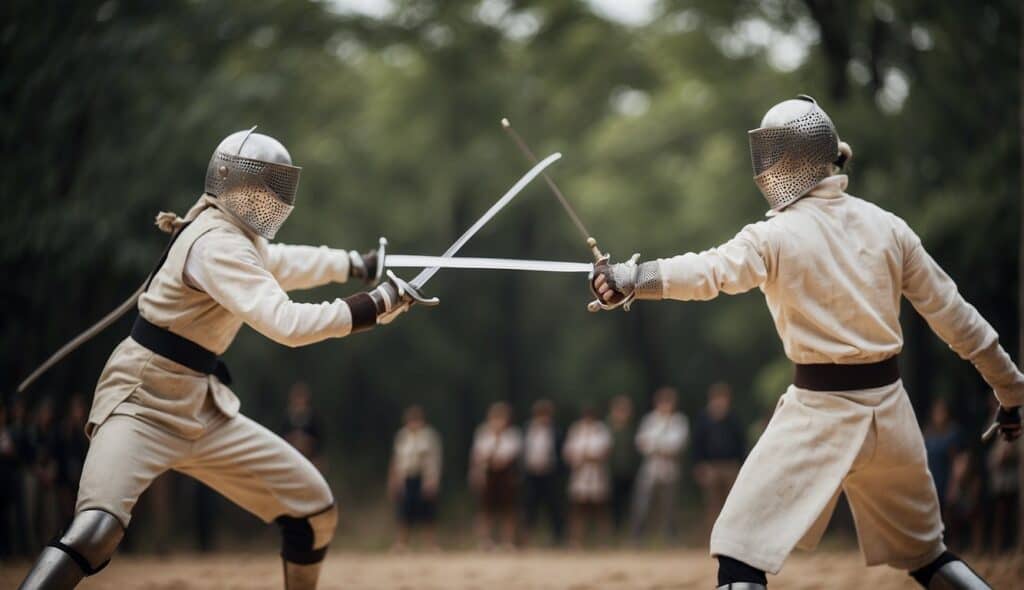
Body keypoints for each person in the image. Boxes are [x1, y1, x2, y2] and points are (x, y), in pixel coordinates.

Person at [589, 94, 1022, 588]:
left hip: (819, 412)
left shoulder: (776, 236)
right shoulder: (889, 227)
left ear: (788, 158)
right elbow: (959, 320)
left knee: (738, 554)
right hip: (891, 415)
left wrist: (632, 277)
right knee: (928, 556)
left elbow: (708, 271)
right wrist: (1012, 395)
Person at [18, 128, 435, 590]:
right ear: (228, 179)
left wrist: (354, 264)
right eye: (263, 184)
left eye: (278, 186)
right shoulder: (214, 241)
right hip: (141, 402)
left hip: (201, 407)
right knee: (96, 530)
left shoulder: (241, 237)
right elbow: (287, 324)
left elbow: (283, 263)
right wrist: (374, 305)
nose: (270, 197)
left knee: (313, 510)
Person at [630, 387, 688, 541]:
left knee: (670, 505)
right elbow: (642, 443)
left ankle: (670, 536)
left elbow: (677, 445)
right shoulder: (650, 420)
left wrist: (656, 446)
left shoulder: (679, 421)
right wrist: (660, 447)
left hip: (670, 470)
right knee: (643, 503)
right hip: (650, 469)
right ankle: (638, 535)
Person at [692, 383, 746, 540]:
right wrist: (699, 465)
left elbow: (741, 443)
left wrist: (741, 466)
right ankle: (714, 538)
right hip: (711, 468)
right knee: (712, 505)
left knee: (733, 505)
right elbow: (697, 443)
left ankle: (732, 539)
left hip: (730, 467)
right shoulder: (703, 419)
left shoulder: (733, 418)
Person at [387, 405, 442, 551]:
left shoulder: (429, 436)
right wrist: (394, 480)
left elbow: (435, 459)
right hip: (406, 478)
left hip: (424, 478)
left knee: (427, 512)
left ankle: (430, 544)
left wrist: (432, 480)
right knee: (404, 511)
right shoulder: (402, 436)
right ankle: (401, 543)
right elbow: (396, 459)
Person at [469, 402, 521, 550]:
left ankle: (508, 542)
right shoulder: (482, 433)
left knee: (508, 510)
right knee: (485, 510)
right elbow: (478, 455)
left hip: (506, 476)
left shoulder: (513, 434)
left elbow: (510, 456)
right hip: (487, 475)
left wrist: (494, 455)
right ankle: (485, 541)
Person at [562, 406, 612, 548]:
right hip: (580, 475)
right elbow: (569, 453)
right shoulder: (576, 430)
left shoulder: (601, 430)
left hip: (597, 475)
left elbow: (605, 452)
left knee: (600, 510)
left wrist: (587, 456)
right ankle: (576, 541)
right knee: (578, 509)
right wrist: (584, 457)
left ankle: (603, 541)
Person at [521, 399, 565, 546]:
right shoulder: (527, 429)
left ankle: (558, 539)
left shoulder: (556, 431)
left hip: (550, 474)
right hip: (531, 474)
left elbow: (561, 453)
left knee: (554, 508)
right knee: (529, 507)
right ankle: (526, 539)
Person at [606, 395, 638, 535]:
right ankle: (613, 532)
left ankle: (630, 533)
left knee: (631, 504)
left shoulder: (632, 429)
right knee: (612, 505)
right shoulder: (606, 428)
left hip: (629, 471)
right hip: (611, 472)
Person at [280, 382, 326, 471]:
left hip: (311, 459)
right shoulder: (287, 418)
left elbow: (320, 440)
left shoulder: (313, 418)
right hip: (292, 458)